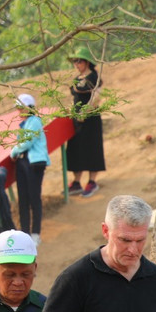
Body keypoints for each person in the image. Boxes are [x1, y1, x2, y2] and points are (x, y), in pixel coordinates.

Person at [66, 45, 106, 198]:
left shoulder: (94, 77)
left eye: (79, 61)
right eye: (74, 61)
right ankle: (76, 182)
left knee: (91, 149)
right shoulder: (77, 79)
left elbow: (97, 96)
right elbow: (75, 97)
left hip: (90, 119)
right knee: (76, 149)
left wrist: (86, 111)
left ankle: (92, 181)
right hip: (77, 120)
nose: (76, 64)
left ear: (87, 62)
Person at [10, 94, 49, 242]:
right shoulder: (25, 124)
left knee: (34, 198)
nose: (19, 111)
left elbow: (27, 142)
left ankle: (36, 234)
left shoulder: (35, 121)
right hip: (23, 161)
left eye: (21, 108)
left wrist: (13, 152)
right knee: (23, 199)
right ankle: (25, 233)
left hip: (34, 163)